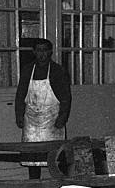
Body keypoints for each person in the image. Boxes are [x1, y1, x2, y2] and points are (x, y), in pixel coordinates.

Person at [15, 38, 72, 179]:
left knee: (57, 158)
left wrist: (62, 118)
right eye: (39, 50)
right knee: (32, 159)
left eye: (45, 50)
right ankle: (34, 187)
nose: (42, 54)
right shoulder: (28, 70)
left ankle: (60, 187)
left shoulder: (58, 71)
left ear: (50, 52)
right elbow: (20, 94)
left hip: (52, 120)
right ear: (34, 52)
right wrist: (19, 115)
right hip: (31, 122)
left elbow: (66, 98)